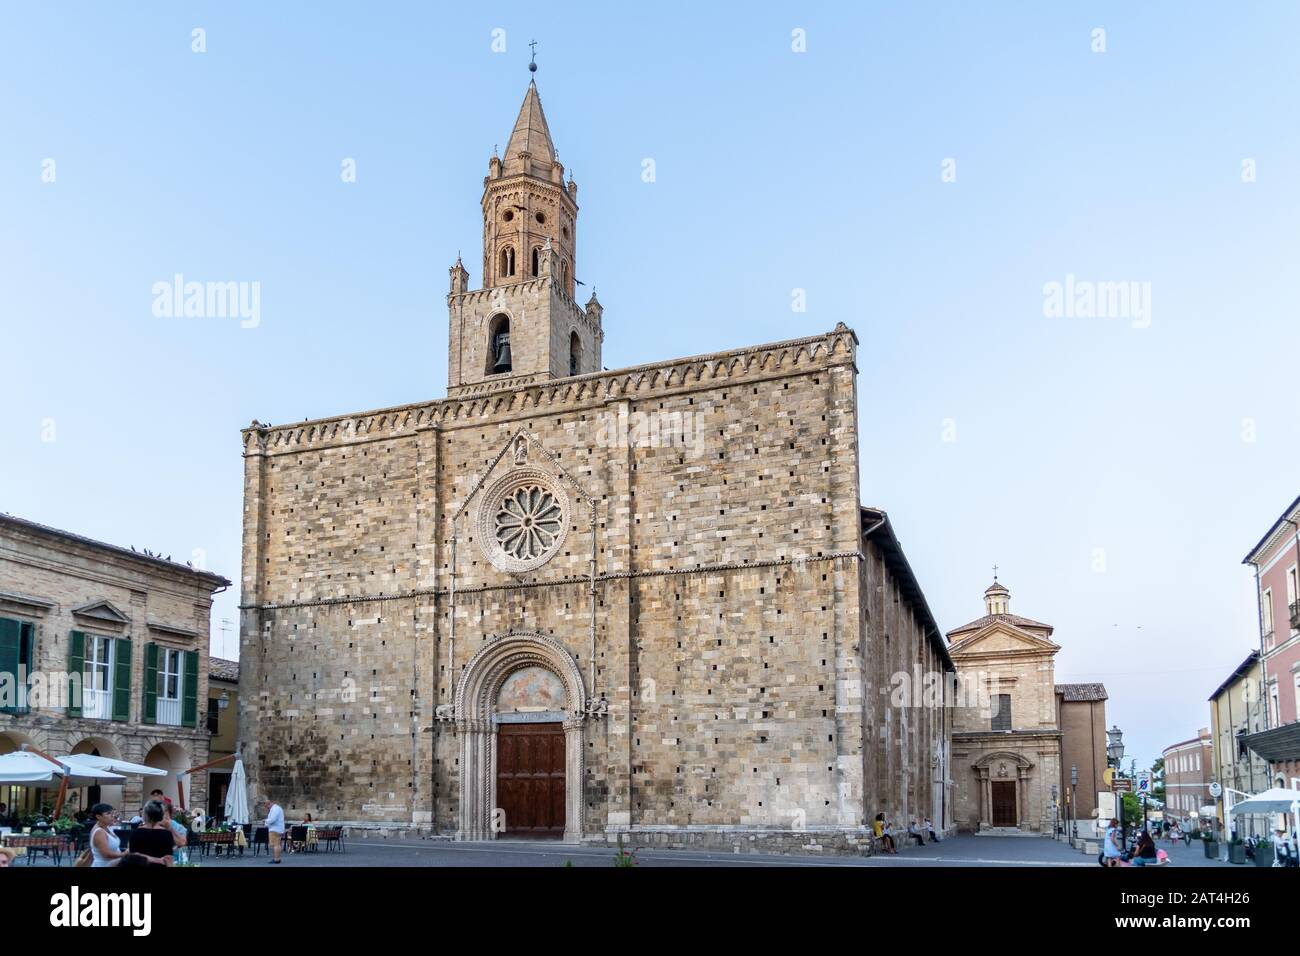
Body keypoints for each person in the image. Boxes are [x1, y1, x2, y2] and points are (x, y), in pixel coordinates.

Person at [89, 803, 131, 868]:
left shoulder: (106, 827)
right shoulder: (99, 832)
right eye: (108, 813)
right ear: (98, 816)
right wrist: (124, 854)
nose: (112, 816)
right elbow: (106, 854)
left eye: (112, 813)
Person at [263, 797, 285, 864]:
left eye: (267, 807)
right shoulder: (277, 808)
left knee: (276, 845)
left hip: (275, 829)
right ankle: (278, 858)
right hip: (277, 829)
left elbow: (272, 819)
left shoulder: (275, 809)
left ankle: (276, 859)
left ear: (269, 804)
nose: (267, 809)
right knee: (277, 844)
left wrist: (265, 821)